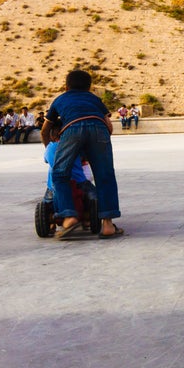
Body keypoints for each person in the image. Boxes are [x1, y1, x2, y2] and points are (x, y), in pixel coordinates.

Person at [41, 69, 124, 240]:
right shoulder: (94, 99)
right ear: (89, 87)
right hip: (99, 129)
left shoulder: (60, 99)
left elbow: (45, 129)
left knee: (60, 173)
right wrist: (98, 147)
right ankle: (107, 225)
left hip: (71, 129)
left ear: (66, 85)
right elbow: (109, 126)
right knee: (105, 176)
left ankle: (69, 216)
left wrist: (48, 147)